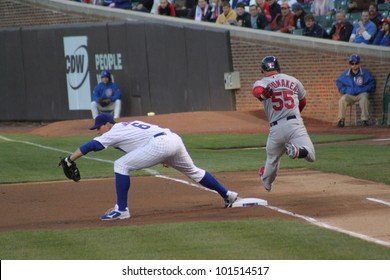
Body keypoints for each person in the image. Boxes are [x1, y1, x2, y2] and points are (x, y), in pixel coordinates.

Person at [64, 113, 239, 220]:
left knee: (120, 165)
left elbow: (91, 146)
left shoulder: (114, 130)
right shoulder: (128, 125)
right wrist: (163, 155)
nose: (98, 131)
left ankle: (121, 210)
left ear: (108, 124)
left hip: (161, 143)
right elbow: (144, 140)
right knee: (193, 171)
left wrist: (70, 159)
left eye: (99, 128)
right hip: (172, 139)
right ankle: (228, 195)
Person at [252, 56, 315, 192]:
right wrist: (295, 116)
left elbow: (257, 92)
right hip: (294, 124)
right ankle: (297, 151)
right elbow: (303, 101)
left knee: (272, 159)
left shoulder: (261, 82)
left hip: (276, 129)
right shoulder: (293, 80)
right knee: (310, 154)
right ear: (278, 67)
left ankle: (267, 183)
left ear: (263, 70)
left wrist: (263, 96)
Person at [335, 54, 376, 127]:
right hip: (350, 95)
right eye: (352, 63)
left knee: (364, 98)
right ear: (350, 64)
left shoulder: (364, 72)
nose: (354, 65)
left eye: (356, 63)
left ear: (359, 63)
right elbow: (338, 82)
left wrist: (364, 89)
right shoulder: (346, 73)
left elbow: (372, 83)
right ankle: (341, 120)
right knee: (342, 100)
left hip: (361, 94)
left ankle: (364, 120)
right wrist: (344, 90)